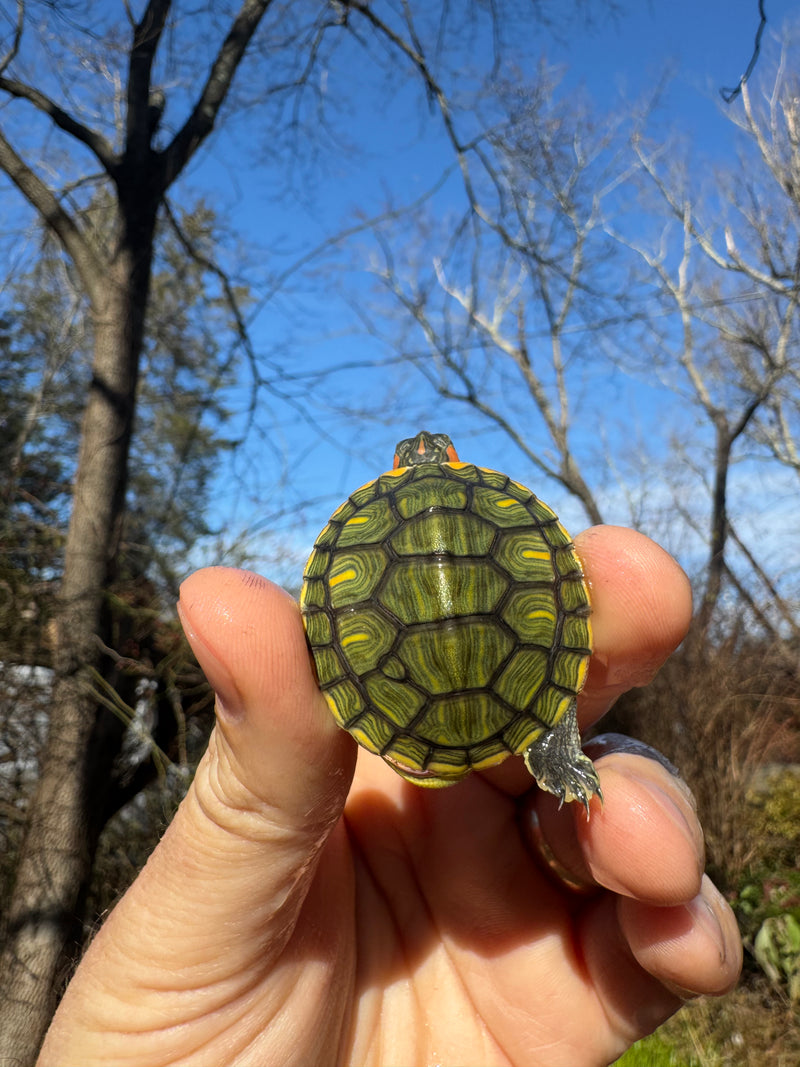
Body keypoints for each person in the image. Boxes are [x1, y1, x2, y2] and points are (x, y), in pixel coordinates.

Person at [38, 526, 741, 1067]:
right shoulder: (499, 523)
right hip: (497, 704)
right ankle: (556, 752)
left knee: (633, 819)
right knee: (546, 669)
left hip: (400, 717)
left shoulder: (360, 536)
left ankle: (556, 753)